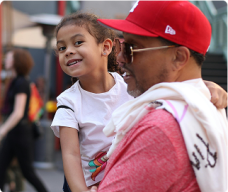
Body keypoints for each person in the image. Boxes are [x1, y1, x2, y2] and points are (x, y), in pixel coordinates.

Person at [85, 0, 228, 191]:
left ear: (178, 58)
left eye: (131, 48)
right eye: (121, 46)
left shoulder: (160, 127)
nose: (120, 58)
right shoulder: (202, 105)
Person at [50, 12, 133, 192]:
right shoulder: (68, 102)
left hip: (129, 182)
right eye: (61, 48)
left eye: (78, 42)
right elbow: (70, 154)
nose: (68, 51)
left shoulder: (130, 86)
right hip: (91, 187)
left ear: (105, 47)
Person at [0, 49, 48, 192]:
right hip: (15, 133)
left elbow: (18, 112)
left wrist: (2, 130)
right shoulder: (15, 81)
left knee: (28, 173)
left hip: (21, 134)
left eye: (9, 58)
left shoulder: (22, 83)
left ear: (17, 61)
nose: (5, 61)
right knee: (1, 168)